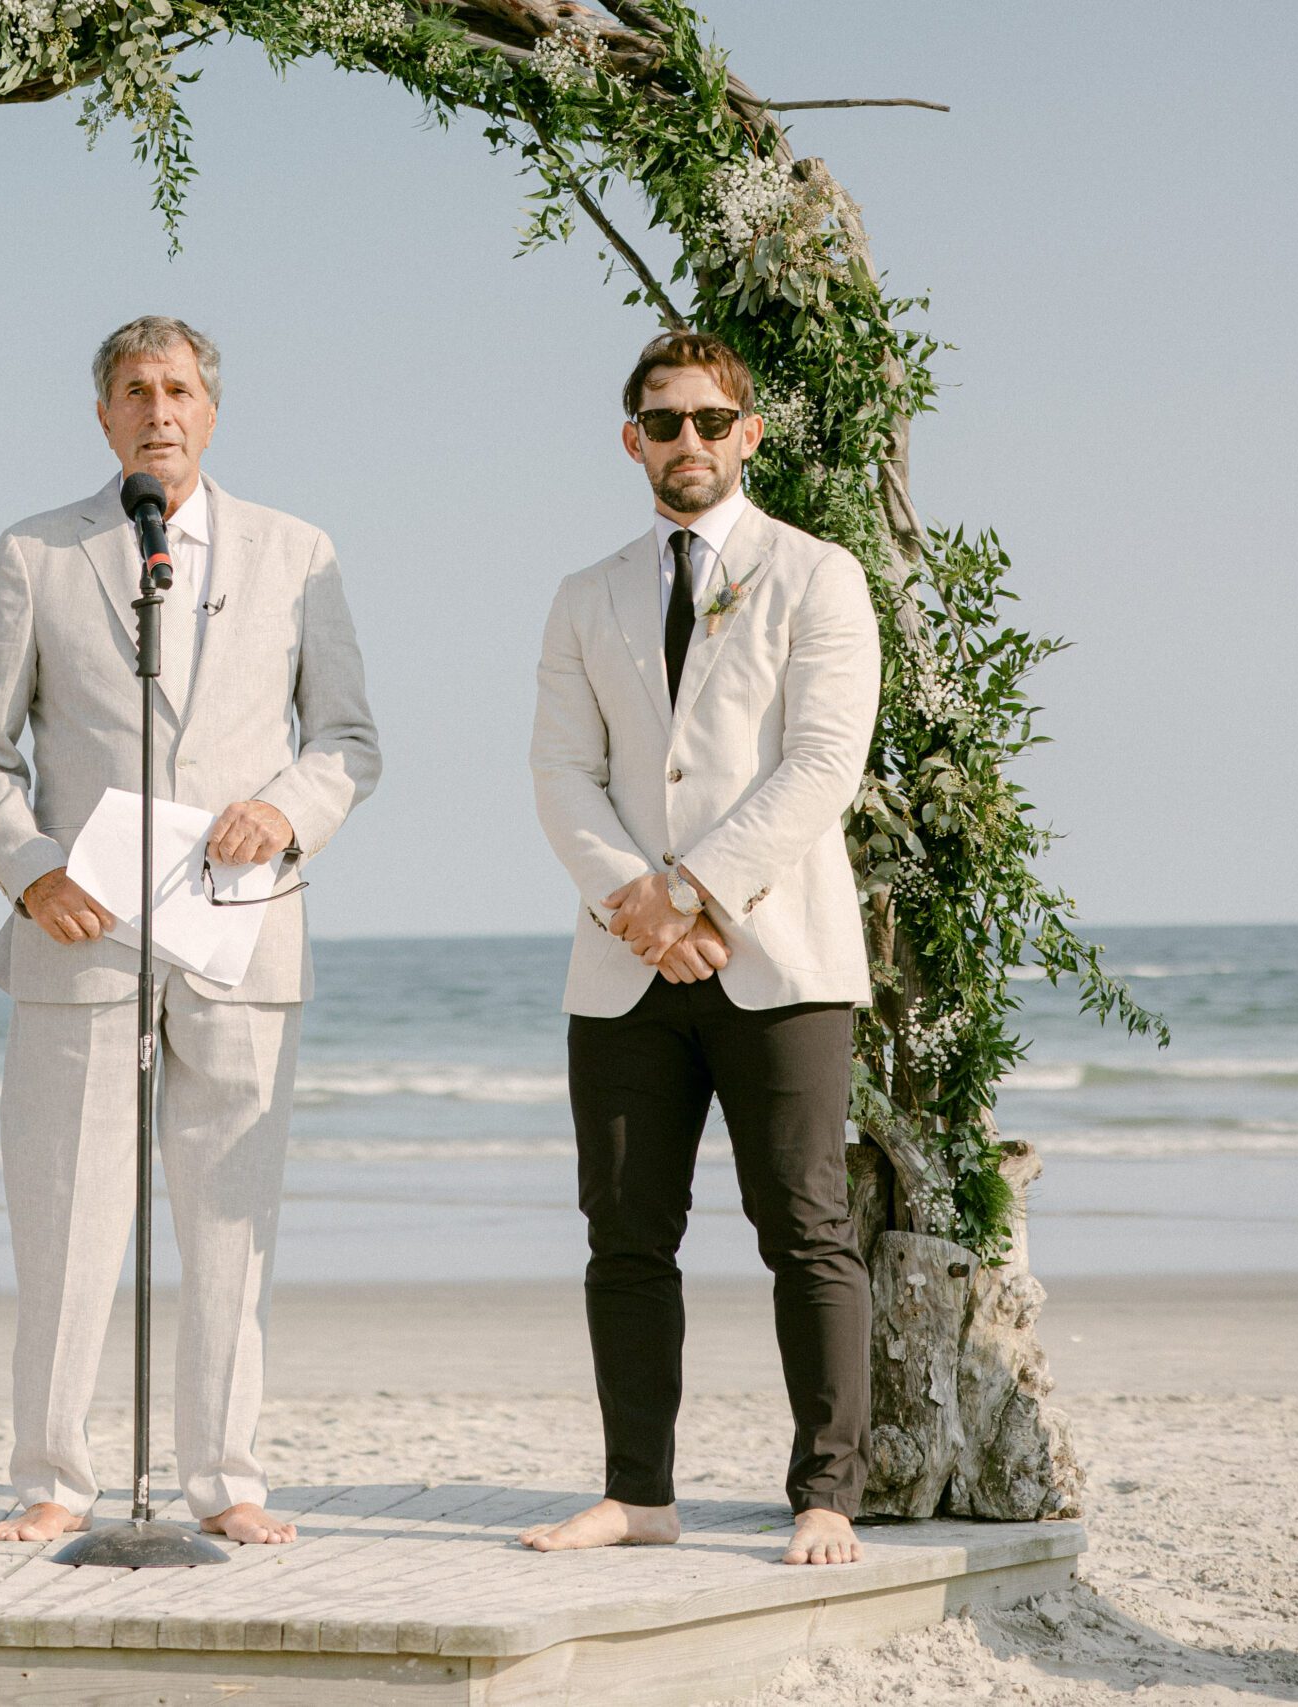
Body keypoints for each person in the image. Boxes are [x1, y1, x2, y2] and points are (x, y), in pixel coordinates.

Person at [0, 315, 380, 1548]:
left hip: (242, 929)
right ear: (102, 415)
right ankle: (53, 1477)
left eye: (179, 389)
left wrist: (284, 812)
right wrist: (31, 872)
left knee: (230, 1225)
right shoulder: (37, 554)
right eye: (134, 391)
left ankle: (226, 1479)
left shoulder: (296, 552)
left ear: (212, 406)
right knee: (68, 1223)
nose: (158, 411)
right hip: (81, 935)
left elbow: (348, 739)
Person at [525, 329, 881, 1567]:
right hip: (625, 963)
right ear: (632, 439)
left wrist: (697, 893)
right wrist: (638, 900)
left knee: (804, 1228)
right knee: (625, 1235)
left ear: (751, 434)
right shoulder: (586, 592)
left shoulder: (818, 576)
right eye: (664, 422)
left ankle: (825, 1494)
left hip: (777, 957)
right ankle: (640, 1495)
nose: (690, 442)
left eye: (711, 420)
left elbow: (822, 761)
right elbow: (562, 771)